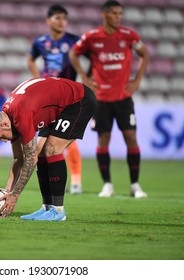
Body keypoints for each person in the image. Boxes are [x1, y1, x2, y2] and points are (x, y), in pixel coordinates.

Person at [0, 77, 97, 221]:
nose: (4, 140)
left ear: (4, 125)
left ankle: (58, 211)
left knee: (51, 149)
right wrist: (7, 192)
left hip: (79, 100)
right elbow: (18, 158)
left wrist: (15, 196)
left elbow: (30, 159)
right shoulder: (8, 116)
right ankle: (46, 208)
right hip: (57, 107)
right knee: (41, 152)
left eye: (2, 136)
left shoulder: (20, 114)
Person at [69, 0, 149, 198]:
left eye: (120, 13)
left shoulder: (129, 35)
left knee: (130, 137)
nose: (118, 17)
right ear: (104, 15)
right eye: (114, 13)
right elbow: (73, 53)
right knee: (104, 139)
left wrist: (137, 80)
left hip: (123, 97)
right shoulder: (92, 37)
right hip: (102, 98)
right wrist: (84, 77)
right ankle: (107, 185)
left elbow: (144, 54)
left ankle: (135, 185)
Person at [27, 4, 84, 195]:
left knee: (68, 139)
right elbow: (30, 59)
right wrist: (37, 79)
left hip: (68, 95)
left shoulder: (75, 41)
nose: (62, 22)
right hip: (48, 95)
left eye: (64, 19)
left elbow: (92, 58)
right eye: (57, 18)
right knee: (45, 139)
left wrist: (88, 78)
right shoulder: (40, 42)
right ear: (48, 21)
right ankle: (50, 180)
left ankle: (76, 181)